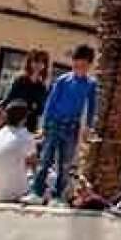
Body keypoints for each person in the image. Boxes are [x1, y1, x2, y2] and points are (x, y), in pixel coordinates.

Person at [27, 44, 96, 204]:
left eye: (83, 66)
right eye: (76, 65)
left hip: (72, 126)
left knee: (65, 164)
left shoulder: (90, 84)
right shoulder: (63, 80)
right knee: (45, 160)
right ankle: (36, 192)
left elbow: (92, 107)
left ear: (89, 66)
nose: (79, 69)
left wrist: (88, 127)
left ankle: (58, 196)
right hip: (54, 123)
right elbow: (50, 103)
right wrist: (43, 125)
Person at [0, 101, 36, 205]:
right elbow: (33, 165)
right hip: (16, 195)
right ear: (24, 119)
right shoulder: (26, 136)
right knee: (49, 178)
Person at [2, 51, 50, 132]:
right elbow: (8, 99)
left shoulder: (42, 86)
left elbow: (40, 110)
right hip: (14, 121)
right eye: (36, 61)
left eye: (42, 62)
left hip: (30, 125)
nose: (39, 64)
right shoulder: (20, 80)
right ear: (30, 62)